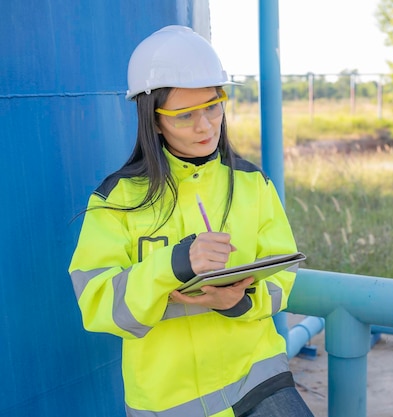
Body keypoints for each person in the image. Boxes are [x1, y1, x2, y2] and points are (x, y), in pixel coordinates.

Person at [69, 25, 314, 417]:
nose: (205, 126)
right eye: (184, 115)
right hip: (168, 401)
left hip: (257, 375)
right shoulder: (117, 200)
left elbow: (282, 277)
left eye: (213, 106)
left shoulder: (252, 185)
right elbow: (95, 302)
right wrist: (173, 265)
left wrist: (240, 301)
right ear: (153, 120)